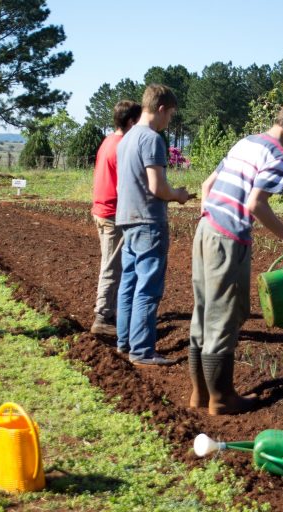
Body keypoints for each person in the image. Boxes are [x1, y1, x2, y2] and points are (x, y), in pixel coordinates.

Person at [190, 97, 283, 415]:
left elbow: (207, 185)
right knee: (225, 315)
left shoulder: (247, 142)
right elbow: (255, 205)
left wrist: (213, 218)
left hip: (205, 230)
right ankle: (222, 399)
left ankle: (200, 395)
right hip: (228, 239)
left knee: (203, 311)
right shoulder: (277, 155)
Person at [115, 84, 192, 366]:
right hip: (149, 221)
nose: (169, 120)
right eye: (170, 114)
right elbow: (157, 186)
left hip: (127, 218)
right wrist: (179, 195)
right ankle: (142, 350)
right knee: (148, 287)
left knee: (129, 283)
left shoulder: (126, 139)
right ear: (161, 109)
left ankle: (124, 342)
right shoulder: (151, 139)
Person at [90, 100, 142, 336]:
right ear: (131, 121)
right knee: (112, 266)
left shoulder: (108, 140)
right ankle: (103, 316)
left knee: (112, 263)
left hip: (101, 210)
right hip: (112, 213)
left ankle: (111, 311)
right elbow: (125, 186)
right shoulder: (122, 146)